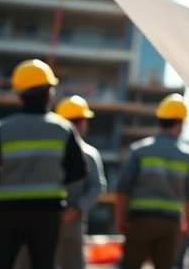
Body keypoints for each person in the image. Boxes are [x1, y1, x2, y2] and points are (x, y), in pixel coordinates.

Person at [0, 59, 88, 269]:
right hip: (47, 212)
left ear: (19, 95)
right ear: (49, 93)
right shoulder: (63, 129)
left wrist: (8, 179)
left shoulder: (1, 129)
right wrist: (52, 178)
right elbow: (78, 171)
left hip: (6, 212)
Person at [116, 93, 189, 269]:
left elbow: (123, 188)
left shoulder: (139, 150)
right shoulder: (187, 155)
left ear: (159, 121)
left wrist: (120, 218)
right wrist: (188, 224)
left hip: (140, 221)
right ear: (180, 123)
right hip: (171, 223)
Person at [53, 95, 106, 269]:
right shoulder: (89, 153)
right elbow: (97, 186)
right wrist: (77, 209)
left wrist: (76, 208)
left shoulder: (89, 154)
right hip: (63, 218)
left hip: (66, 219)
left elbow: (97, 186)